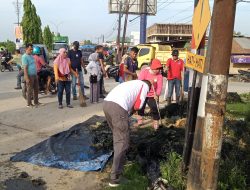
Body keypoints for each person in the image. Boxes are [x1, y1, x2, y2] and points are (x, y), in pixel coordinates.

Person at [103, 80, 151, 187]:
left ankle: (117, 169)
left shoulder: (134, 83)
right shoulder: (145, 86)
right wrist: (135, 112)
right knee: (122, 142)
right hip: (118, 108)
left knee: (118, 137)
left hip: (106, 104)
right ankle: (115, 178)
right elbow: (138, 105)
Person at [138, 59, 163, 130]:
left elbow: (159, 86)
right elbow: (140, 81)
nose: (158, 70)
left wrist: (157, 94)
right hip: (143, 92)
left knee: (154, 107)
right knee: (141, 106)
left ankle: (156, 122)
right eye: (156, 68)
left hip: (152, 94)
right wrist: (148, 81)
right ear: (152, 67)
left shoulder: (159, 75)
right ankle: (140, 119)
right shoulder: (145, 72)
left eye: (159, 68)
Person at [22, 43, 40, 108]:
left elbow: (33, 65)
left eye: (32, 49)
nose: (31, 50)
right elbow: (25, 68)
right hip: (29, 75)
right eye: (30, 49)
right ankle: (29, 104)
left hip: (34, 75)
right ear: (26, 49)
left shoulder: (31, 56)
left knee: (36, 89)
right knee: (29, 90)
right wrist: (26, 78)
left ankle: (36, 102)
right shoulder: (24, 57)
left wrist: (36, 74)